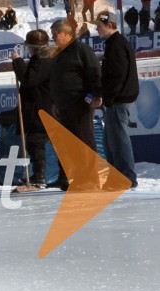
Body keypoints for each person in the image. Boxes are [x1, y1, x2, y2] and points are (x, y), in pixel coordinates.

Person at [49, 19, 102, 190]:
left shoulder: (81, 50)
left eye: (55, 34)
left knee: (84, 142)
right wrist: (56, 102)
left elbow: (95, 74)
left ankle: (91, 180)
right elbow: (58, 80)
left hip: (80, 104)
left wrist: (93, 96)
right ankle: (79, 178)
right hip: (64, 106)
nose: (53, 37)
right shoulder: (59, 53)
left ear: (66, 33)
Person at [92, 11, 139, 189]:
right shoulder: (113, 44)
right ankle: (118, 176)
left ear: (110, 25)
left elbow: (117, 75)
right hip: (116, 99)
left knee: (118, 139)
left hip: (119, 100)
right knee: (111, 140)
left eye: (99, 26)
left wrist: (107, 98)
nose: (97, 30)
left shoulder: (117, 45)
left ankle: (126, 177)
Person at [11, 29, 54, 186]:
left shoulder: (42, 61)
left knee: (35, 140)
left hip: (42, 108)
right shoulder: (41, 59)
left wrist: (17, 62)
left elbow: (29, 80)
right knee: (34, 141)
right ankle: (39, 174)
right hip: (40, 106)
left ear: (34, 47)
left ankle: (40, 175)